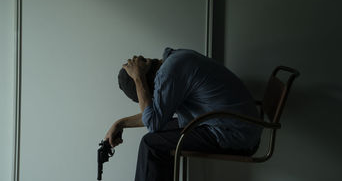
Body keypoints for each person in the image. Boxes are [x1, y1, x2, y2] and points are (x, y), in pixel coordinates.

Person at [105, 47, 262, 181]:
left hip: (236, 134)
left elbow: (152, 122)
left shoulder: (170, 73)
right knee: (159, 134)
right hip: (237, 125)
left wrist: (138, 78)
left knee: (151, 144)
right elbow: (156, 116)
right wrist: (120, 123)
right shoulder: (173, 61)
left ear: (148, 85)